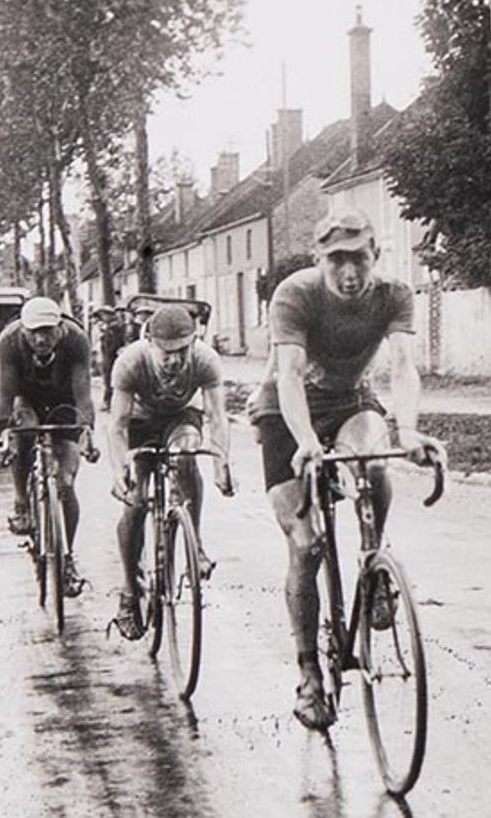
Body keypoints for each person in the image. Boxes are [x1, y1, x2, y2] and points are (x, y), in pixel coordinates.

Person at [250, 209, 444, 732]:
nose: (349, 272)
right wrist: (309, 443)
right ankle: (309, 673)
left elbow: (403, 366)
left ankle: (372, 565)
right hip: (286, 413)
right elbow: (288, 375)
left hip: (350, 399)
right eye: (336, 260)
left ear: (375, 255)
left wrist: (407, 431)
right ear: (319, 261)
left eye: (359, 258)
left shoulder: (394, 295)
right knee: (306, 542)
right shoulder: (295, 294)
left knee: (373, 462)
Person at [106, 303, 236, 635]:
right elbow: (117, 426)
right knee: (135, 502)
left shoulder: (206, 360)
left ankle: (196, 541)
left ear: (194, 342)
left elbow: (218, 416)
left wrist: (222, 462)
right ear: (149, 343)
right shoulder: (130, 362)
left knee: (187, 453)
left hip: (180, 418)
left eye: (183, 351)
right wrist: (119, 469)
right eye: (166, 353)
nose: (175, 360)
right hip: (140, 422)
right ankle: (128, 588)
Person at [0, 295, 96, 594]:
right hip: (26, 398)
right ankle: (21, 502)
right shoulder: (9, 341)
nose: (41, 339)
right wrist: (5, 433)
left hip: (65, 401)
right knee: (21, 434)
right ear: (23, 331)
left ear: (60, 328)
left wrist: (87, 431)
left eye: (48, 331)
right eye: (34, 332)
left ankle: (67, 558)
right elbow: (5, 394)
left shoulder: (77, 340)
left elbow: (83, 395)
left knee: (65, 483)